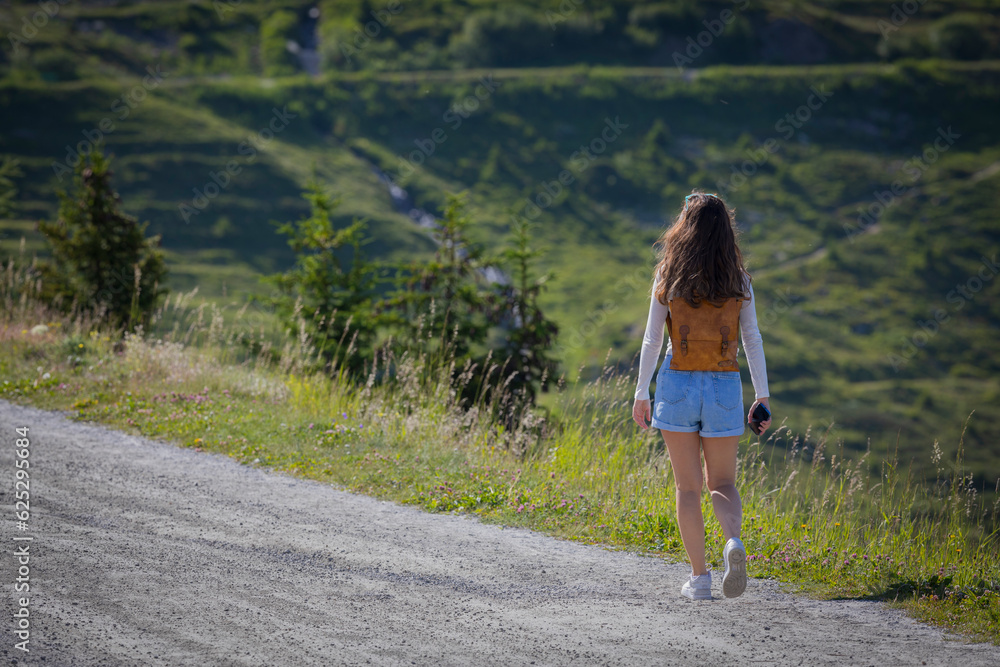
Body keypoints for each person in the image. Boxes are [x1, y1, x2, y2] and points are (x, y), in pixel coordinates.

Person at [631, 191, 772, 601]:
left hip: (677, 382)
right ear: (726, 232)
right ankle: (733, 542)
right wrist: (762, 395)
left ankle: (700, 579)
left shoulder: (668, 274)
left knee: (688, 487)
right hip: (724, 383)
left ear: (684, 229)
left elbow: (652, 340)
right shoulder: (739, 280)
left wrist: (641, 392)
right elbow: (752, 339)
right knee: (723, 482)